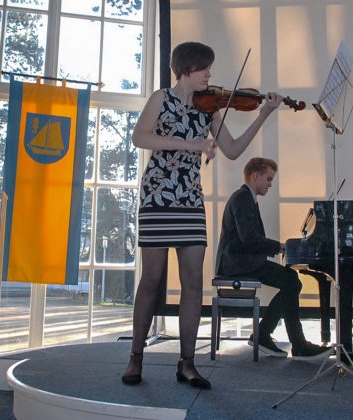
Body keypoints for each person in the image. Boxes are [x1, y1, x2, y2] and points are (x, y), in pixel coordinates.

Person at [123, 42, 284, 389]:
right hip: (157, 195)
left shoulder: (208, 109)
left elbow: (233, 149)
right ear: (186, 69)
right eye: (204, 69)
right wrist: (191, 145)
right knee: (151, 279)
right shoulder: (160, 98)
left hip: (189, 198)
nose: (210, 75)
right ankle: (136, 357)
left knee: (193, 281)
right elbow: (140, 137)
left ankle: (187, 363)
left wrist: (263, 115)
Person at [215, 158, 332, 360]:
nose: (270, 184)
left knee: (291, 281)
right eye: (268, 179)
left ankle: (266, 335)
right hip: (238, 263)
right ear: (255, 175)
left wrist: (279, 247)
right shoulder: (243, 198)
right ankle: (295, 344)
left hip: (242, 260)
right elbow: (249, 238)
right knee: (290, 281)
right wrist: (280, 246)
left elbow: (250, 239)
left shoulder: (246, 197)